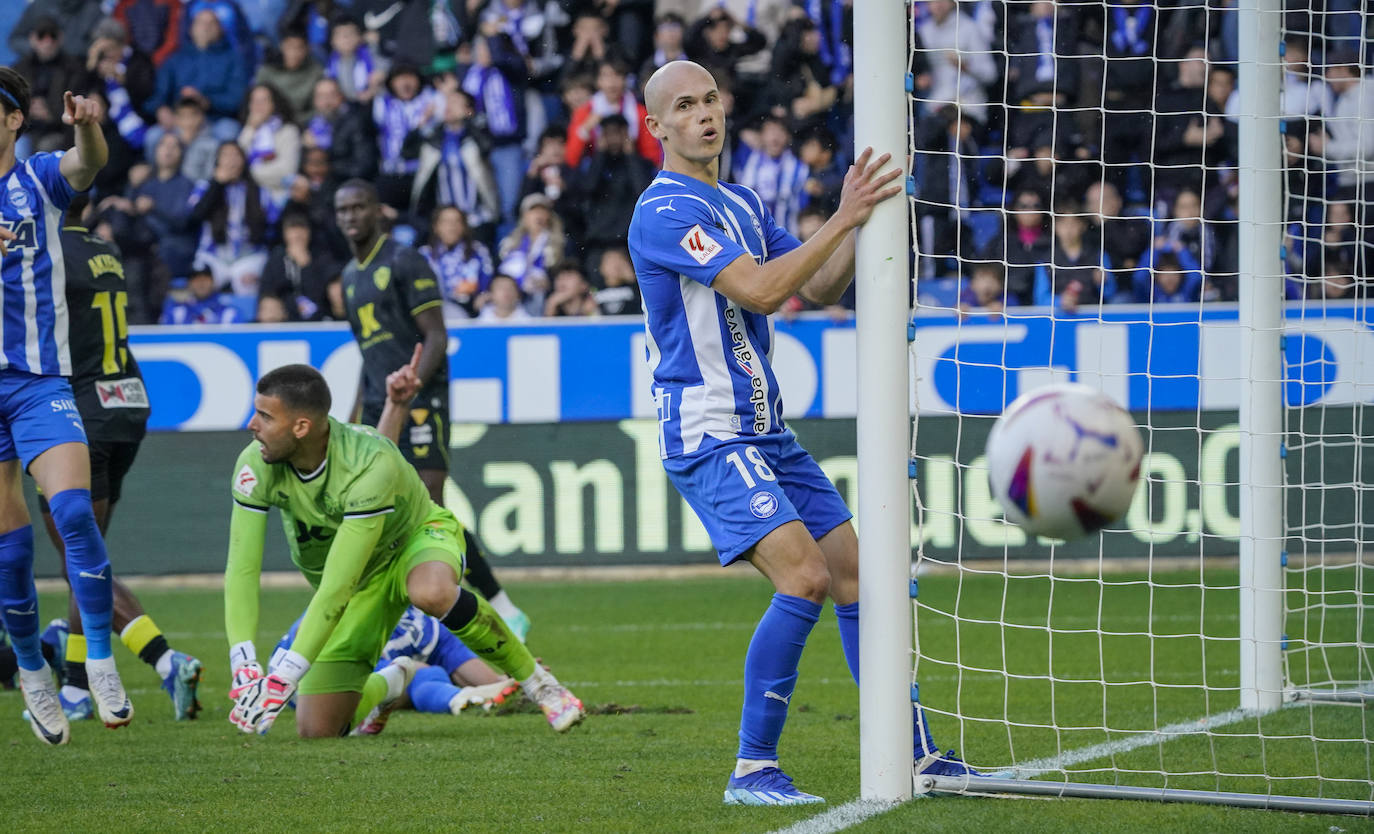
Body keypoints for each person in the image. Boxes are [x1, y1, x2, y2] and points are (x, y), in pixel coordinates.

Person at [628, 60, 975, 807]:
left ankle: (914, 753)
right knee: (807, 578)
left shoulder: (744, 201)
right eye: (683, 106)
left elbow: (818, 286)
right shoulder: (660, 213)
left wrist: (877, 205)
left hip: (766, 432)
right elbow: (759, 289)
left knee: (859, 579)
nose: (703, 114)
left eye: (710, 99)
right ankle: (752, 768)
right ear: (656, 127)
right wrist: (843, 218)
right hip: (709, 433)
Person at [221, 362, 584, 737]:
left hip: (414, 540)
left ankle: (543, 686)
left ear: (301, 427)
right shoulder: (254, 464)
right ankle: (395, 682)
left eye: (264, 416)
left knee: (430, 591)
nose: (251, 425)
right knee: (318, 729)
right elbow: (243, 569)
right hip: (361, 580)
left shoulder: (370, 463)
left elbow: (336, 587)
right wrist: (243, 660)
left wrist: (284, 674)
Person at [335, 179, 532, 640]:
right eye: (343, 209)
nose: (350, 216)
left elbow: (437, 335)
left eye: (359, 207)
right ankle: (416, 613)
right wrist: (353, 415)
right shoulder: (348, 277)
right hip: (377, 404)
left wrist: (414, 387)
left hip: (422, 399)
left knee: (429, 504)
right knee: (381, 507)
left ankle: (498, 608)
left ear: (377, 212)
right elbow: (369, 355)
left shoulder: (405, 261)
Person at [0, 68, 133, 746]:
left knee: (74, 511)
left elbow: (90, 163)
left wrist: (86, 125)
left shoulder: (38, 179)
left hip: (38, 380)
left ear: (14, 121)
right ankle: (31, 674)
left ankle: (101, 661)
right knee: (10, 551)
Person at [41, 196, 203, 723]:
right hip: (126, 402)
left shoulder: (45, 250)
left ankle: (164, 661)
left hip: (78, 414)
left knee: (77, 558)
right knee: (84, 555)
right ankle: (75, 687)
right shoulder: (103, 250)